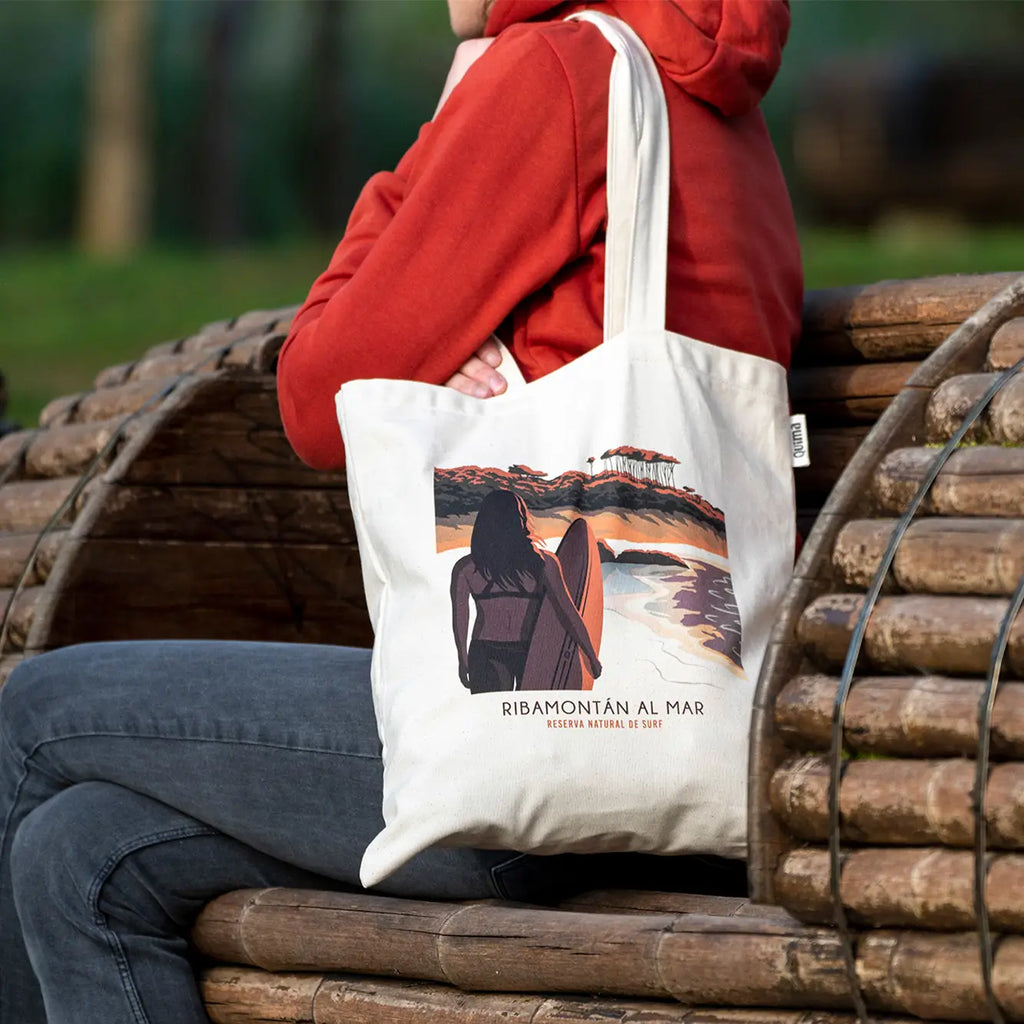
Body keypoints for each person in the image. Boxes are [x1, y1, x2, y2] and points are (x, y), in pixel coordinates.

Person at [0, 1, 800, 1021]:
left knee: (34, 715)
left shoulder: (548, 76)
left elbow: (312, 392)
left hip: (523, 750)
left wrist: (437, 134)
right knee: (78, 855)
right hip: (672, 727)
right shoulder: (715, 102)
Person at [450, 489, 602, 692]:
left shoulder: (466, 568)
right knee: (525, 720)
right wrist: (590, 653)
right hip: (529, 652)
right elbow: (567, 612)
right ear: (521, 519)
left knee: (495, 720)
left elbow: (461, 619)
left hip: (498, 651)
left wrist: (463, 659)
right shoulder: (543, 564)